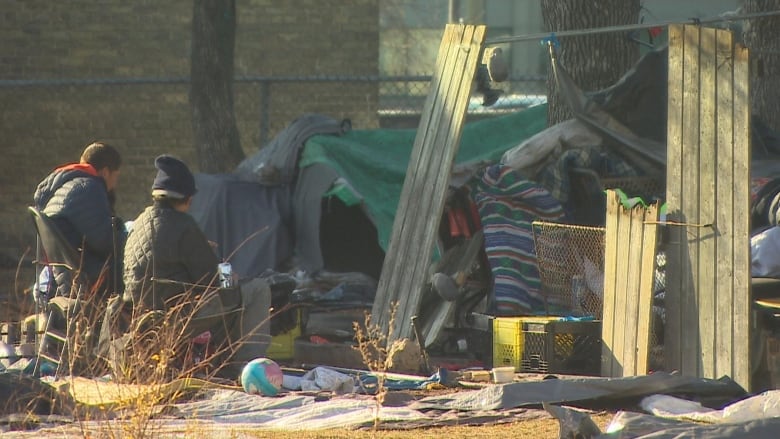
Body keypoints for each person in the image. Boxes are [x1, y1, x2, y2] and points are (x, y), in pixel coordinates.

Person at [118, 154, 271, 379]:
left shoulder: (140, 222)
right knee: (257, 289)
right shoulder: (184, 225)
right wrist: (227, 275)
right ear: (186, 199)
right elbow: (213, 282)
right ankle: (245, 367)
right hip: (176, 317)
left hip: (139, 315)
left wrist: (198, 247)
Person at [33, 141, 126, 299]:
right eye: (116, 176)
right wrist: (130, 237)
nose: (115, 183)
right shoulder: (88, 188)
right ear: (105, 172)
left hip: (63, 276)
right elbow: (106, 243)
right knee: (138, 267)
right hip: (87, 276)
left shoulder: (65, 187)